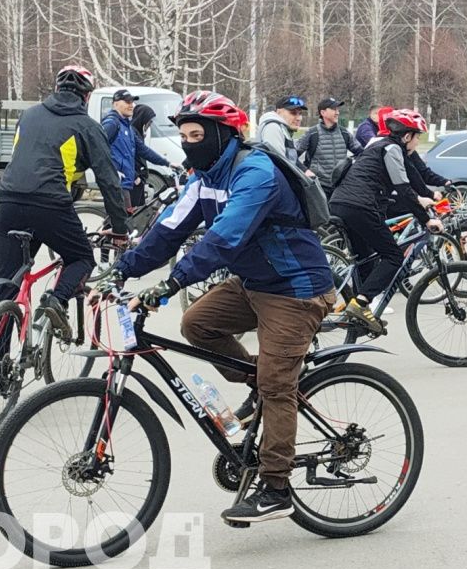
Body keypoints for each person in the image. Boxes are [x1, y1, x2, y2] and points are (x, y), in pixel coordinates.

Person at [115, 91, 335, 523]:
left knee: (276, 387)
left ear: (222, 134)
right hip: (253, 283)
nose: (188, 144)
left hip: (296, 289)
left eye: (197, 135)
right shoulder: (205, 177)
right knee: (197, 324)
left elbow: (224, 238)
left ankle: (276, 488)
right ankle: (264, 376)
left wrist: (172, 282)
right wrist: (121, 270)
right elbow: (168, 230)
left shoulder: (255, 172)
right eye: (183, 136)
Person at [0, 65, 129, 323]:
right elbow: (109, 181)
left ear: (56, 89)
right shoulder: (87, 125)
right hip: (49, 205)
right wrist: (120, 228)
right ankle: (56, 300)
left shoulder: (29, 115)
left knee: (7, 281)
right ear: (87, 97)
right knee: (81, 258)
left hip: (8, 201)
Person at [329, 109, 440, 334]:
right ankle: (359, 304)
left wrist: (427, 195)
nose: (419, 141)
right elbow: (404, 190)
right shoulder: (392, 149)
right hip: (361, 207)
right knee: (393, 256)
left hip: (341, 203)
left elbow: (413, 179)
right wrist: (427, 220)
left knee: (366, 258)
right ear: (407, 136)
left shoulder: (380, 145)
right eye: (418, 136)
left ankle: (359, 318)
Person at [101, 89, 174, 209]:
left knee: (127, 222)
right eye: (127, 102)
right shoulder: (112, 124)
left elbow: (143, 150)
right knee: (124, 223)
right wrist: (112, 171)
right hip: (117, 184)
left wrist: (168, 163)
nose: (131, 105)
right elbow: (98, 150)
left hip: (126, 184)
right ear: (115, 104)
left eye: (132, 102)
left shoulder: (127, 127)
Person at [296, 97, 362, 195]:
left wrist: (350, 167)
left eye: (338, 110)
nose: (337, 113)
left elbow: (361, 153)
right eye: (334, 109)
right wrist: (305, 171)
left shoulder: (345, 133)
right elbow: (292, 156)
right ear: (323, 113)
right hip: (318, 188)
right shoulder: (312, 133)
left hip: (341, 188)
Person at [257, 96, 306, 165]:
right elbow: (278, 164)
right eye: (293, 113)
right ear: (278, 112)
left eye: (300, 114)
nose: (299, 118)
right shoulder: (273, 128)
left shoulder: (282, 128)